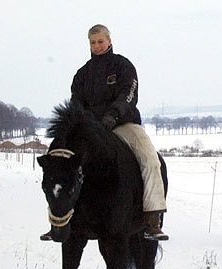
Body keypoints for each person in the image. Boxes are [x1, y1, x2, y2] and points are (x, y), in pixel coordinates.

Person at [41, 24, 168, 241]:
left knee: (150, 158)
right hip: (91, 130)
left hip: (123, 124)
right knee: (59, 160)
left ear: (109, 41)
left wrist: (112, 115)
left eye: (101, 41)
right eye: (93, 42)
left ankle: (152, 217)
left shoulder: (123, 66)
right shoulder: (82, 74)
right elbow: (76, 103)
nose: (97, 46)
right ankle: (59, 222)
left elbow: (129, 95)